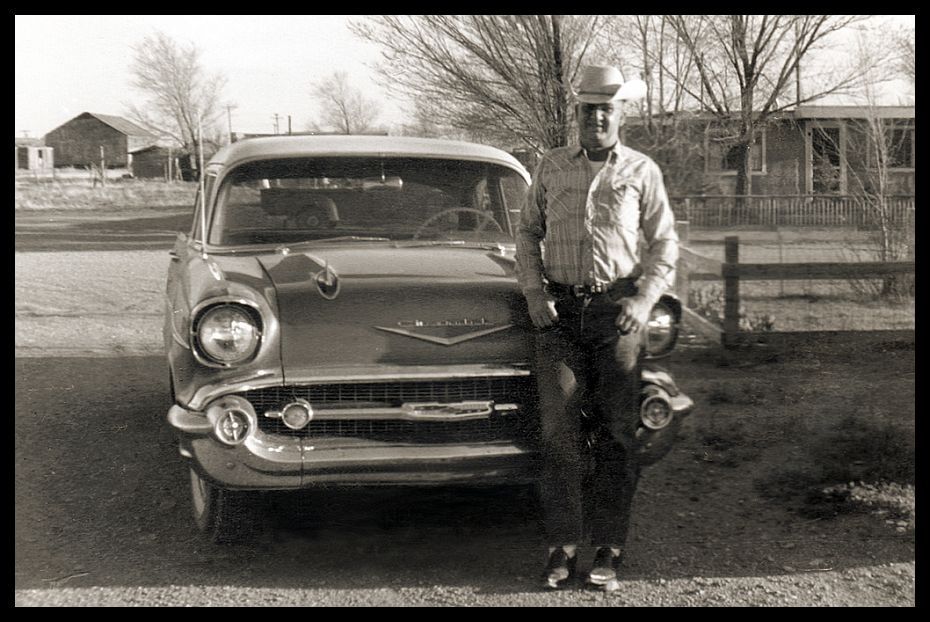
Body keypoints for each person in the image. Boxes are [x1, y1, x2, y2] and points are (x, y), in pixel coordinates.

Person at [514, 65, 679, 590]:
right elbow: (526, 234)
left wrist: (645, 299)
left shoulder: (641, 171)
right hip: (559, 317)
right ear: (577, 115)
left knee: (615, 433)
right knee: (558, 431)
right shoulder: (551, 166)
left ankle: (609, 545)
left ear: (622, 114)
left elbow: (665, 245)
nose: (598, 117)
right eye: (588, 109)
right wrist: (536, 294)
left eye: (607, 108)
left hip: (617, 315)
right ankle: (561, 546)